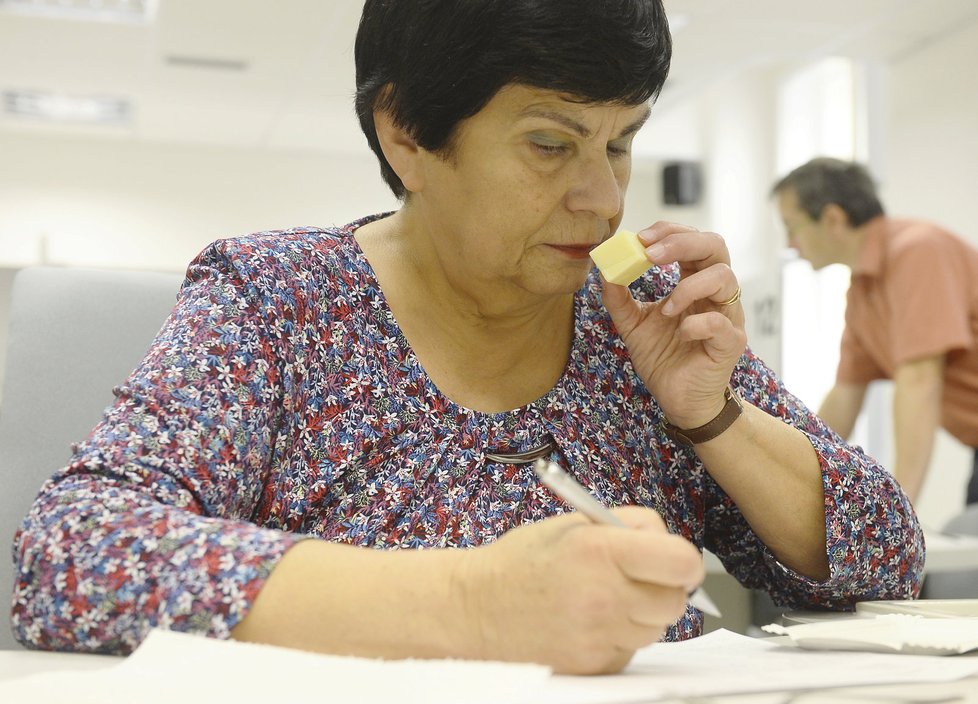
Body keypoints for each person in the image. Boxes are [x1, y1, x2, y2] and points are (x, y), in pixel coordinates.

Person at [11, 1, 922, 675]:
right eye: (549, 145)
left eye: (620, 144)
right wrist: (475, 607)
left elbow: (888, 562)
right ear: (407, 134)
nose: (604, 200)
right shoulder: (278, 302)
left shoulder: (636, 313)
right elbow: (73, 551)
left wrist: (712, 419)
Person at [772, 157, 978, 506]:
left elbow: (920, 380)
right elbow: (844, 398)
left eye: (792, 227)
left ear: (833, 219)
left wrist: (900, 510)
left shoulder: (918, 252)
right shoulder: (863, 290)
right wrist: (785, 479)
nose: (791, 244)